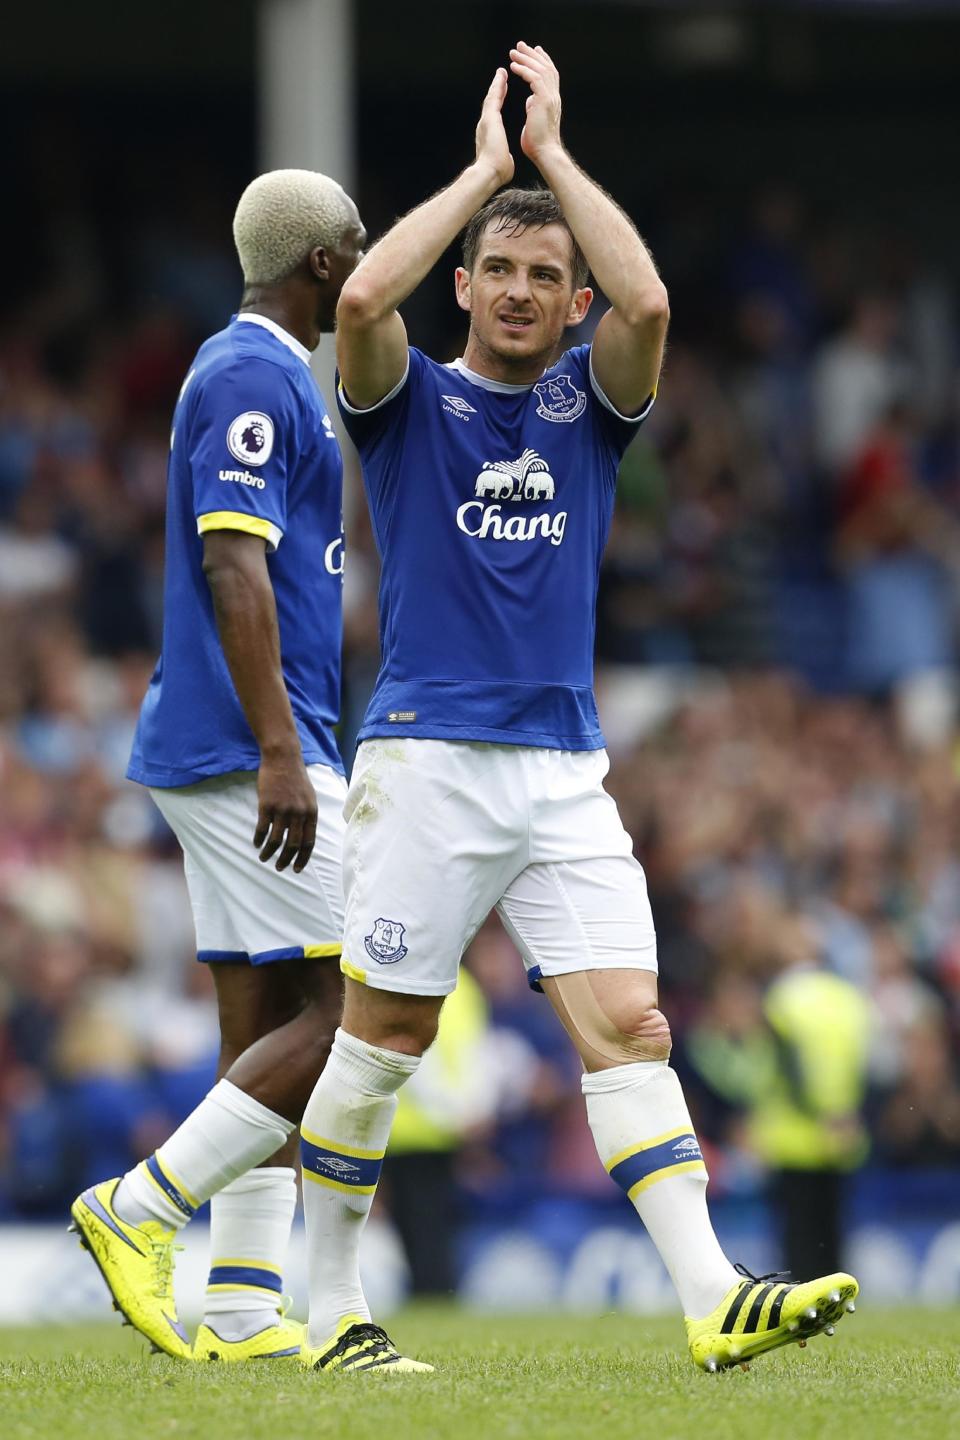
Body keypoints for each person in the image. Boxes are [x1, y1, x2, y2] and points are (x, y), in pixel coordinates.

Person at [295, 46, 858, 1375]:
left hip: (563, 769)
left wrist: (554, 162)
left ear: (567, 299)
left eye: (547, 275)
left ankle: (713, 1295)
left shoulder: (586, 409)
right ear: (469, 284)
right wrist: (490, 172)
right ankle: (327, 1313)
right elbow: (366, 291)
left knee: (631, 1024)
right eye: (502, 269)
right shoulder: (406, 402)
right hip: (426, 760)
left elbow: (652, 298)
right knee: (385, 1037)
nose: (522, 290)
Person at [69, 169, 366, 1362]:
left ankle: (242, 1309)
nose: (368, 256)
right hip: (253, 745)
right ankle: (136, 1208)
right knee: (364, 1013)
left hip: (230, 741)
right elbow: (233, 569)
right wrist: (283, 750)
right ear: (326, 266)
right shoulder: (252, 373)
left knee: (271, 1018)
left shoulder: (260, 372)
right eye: (358, 241)